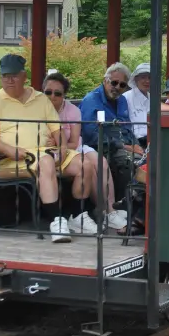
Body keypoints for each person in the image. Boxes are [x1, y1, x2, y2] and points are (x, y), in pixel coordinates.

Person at [0, 54, 96, 243]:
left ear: (24, 76)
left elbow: (56, 128)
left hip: (46, 153)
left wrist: (64, 146)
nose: (8, 80)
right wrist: (10, 149)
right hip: (13, 159)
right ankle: (56, 221)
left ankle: (78, 216)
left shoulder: (40, 98)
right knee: (46, 162)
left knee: (85, 163)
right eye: (4, 76)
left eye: (14, 75)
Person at [43, 72, 124, 231]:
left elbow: (74, 142)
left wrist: (61, 143)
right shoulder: (38, 110)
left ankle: (110, 210)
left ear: (64, 95)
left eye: (58, 93)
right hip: (52, 153)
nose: (52, 96)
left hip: (74, 147)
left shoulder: (72, 110)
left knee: (100, 162)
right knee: (89, 167)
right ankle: (101, 211)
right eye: (48, 92)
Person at [80, 63, 142, 224]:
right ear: (105, 80)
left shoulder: (121, 101)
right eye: (113, 82)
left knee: (146, 160)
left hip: (121, 145)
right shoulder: (91, 100)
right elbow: (91, 134)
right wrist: (124, 146)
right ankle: (115, 208)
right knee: (128, 161)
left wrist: (137, 145)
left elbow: (127, 127)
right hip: (98, 148)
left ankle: (135, 208)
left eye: (122, 85)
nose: (117, 87)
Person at [123, 63, 151, 148]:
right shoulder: (126, 97)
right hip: (134, 142)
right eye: (143, 77)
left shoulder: (152, 97)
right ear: (136, 79)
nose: (147, 81)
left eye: (150, 78)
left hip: (151, 140)